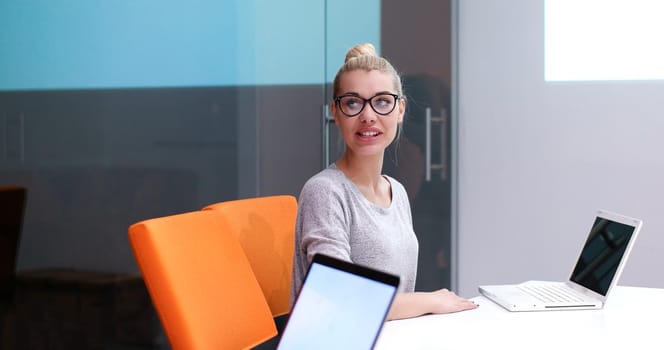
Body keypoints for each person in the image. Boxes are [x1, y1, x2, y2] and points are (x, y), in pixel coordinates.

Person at [291, 43, 477, 320]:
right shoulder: (325, 192)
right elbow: (341, 297)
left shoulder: (397, 192)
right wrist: (430, 300)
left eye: (381, 102)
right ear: (336, 112)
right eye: (353, 103)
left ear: (400, 110)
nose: (368, 116)